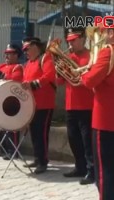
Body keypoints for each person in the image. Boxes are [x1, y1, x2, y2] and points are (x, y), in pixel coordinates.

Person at [80, 24, 114, 200]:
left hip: (106, 120)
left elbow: (90, 81)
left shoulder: (108, 52)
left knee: (105, 171)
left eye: (108, 32)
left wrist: (86, 73)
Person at [58, 28, 95, 185]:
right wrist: (58, 71)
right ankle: (79, 167)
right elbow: (60, 82)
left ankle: (91, 170)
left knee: (87, 140)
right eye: (69, 41)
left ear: (82, 39)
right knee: (73, 139)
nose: (70, 43)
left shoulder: (91, 56)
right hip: (70, 105)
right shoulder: (68, 57)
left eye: (73, 40)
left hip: (86, 105)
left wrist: (79, 73)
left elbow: (91, 77)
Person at [21, 37, 56, 174]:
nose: (25, 52)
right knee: (34, 133)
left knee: (41, 133)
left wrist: (33, 84)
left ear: (35, 46)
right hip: (32, 104)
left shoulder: (45, 58)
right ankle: (37, 157)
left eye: (26, 48)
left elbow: (49, 76)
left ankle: (43, 161)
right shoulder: (28, 64)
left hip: (44, 103)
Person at [0, 44, 24, 160]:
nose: (6, 56)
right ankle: (3, 148)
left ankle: (13, 150)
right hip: (0, 100)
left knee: (11, 127)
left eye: (9, 54)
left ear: (16, 55)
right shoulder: (2, 66)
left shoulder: (18, 67)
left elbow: (15, 80)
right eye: (6, 53)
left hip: (12, 101)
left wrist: (2, 76)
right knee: (0, 126)